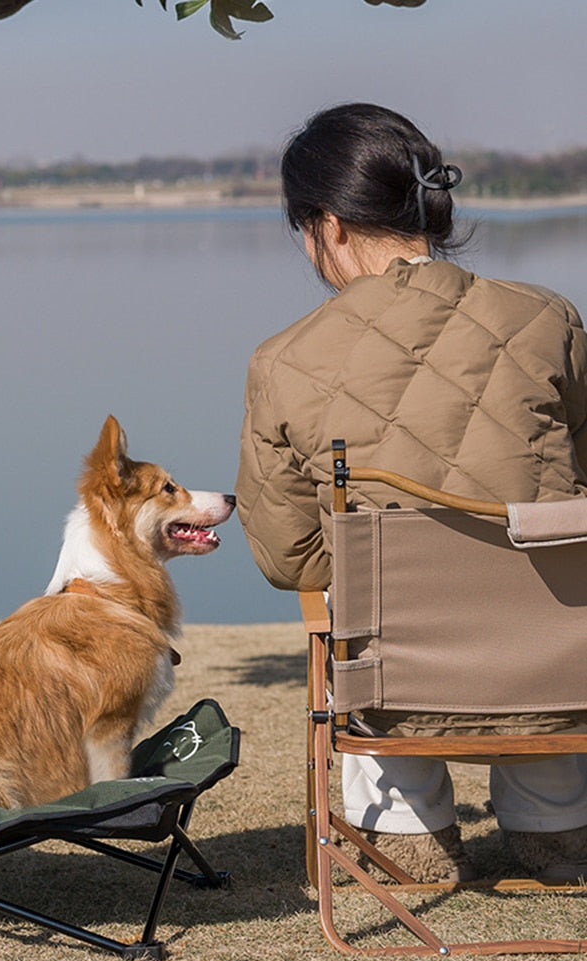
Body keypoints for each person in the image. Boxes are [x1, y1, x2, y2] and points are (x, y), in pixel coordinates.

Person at [236, 102, 587, 882]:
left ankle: (409, 835)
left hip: (395, 689)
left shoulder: (283, 361)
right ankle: (554, 827)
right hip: (558, 675)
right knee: (545, 568)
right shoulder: (547, 320)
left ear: (326, 225)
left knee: (358, 607)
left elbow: (287, 556)